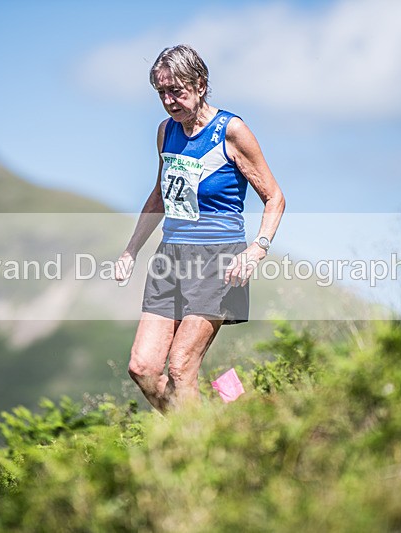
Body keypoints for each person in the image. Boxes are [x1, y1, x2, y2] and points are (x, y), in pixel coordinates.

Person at [115, 44, 285, 412]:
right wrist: (131, 250)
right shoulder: (166, 132)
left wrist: (258, 248)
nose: (169, 100)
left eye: (176, 90)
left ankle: (199, 455)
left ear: (201, 84)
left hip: (218, 259)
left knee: (180, 367)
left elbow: (274, 197)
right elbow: (160, 195)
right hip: (170, 259)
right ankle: (228, 410)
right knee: (143, 367)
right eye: (161, 92)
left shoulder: (231, 130)